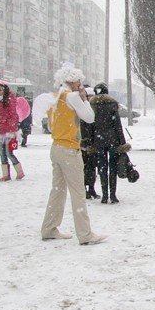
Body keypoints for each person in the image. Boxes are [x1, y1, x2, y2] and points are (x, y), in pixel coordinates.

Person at [40, 64, 106, 245]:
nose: (81, 85)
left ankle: (49, 228)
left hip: (56, 148)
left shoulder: (56, 98)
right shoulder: (73, 97)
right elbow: (90, 118)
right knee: (78, 193)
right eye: (79, 81)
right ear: (72, 81)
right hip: (70, 150)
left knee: (57, 191)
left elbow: (51, 125)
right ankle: (85, 234)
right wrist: (84, 99)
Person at [90, 82, 126, 204]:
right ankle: (113, 195)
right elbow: (118, 125)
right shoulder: (112, 105)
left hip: (98, 140)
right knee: (113, 167)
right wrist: (122, 143)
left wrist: (90, 141)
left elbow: (89, 126)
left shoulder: (92, 105)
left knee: (102, 168)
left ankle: (105, 195)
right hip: (113, 140)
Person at [0, 81, 25, 181]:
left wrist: (12, 130)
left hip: (10, 131)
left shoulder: (9, 100)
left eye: (0, 90)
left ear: (5, 91)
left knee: (8, 152)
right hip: (2, 130)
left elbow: (13, 115)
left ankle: (20, 172)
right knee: (2, 153)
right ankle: (6, 175)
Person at [79, 86, 99, 199]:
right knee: (84, 167)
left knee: (91, 168)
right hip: (83, 142)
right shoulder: (82, 109)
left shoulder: (93, 110)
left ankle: (91, 188)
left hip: (92, 142)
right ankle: (85, 189)